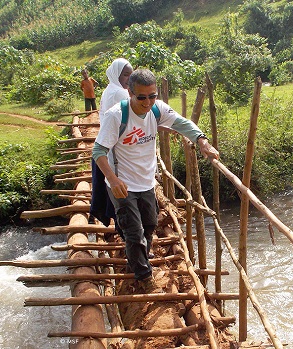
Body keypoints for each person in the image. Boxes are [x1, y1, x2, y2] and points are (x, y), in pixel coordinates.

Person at [92, 69, 219, 291]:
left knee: (149, 224)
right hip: (122, 182)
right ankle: (143, 276)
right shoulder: (116, 116)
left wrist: (201, 140)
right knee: (133, 230)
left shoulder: (157, 110)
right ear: (129, 93)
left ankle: (138, 256)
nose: (148, 102)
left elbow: (181, 123)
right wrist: (112, 180)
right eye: (142, 97)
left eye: (152, 96)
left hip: (146, 180)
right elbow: (99, 151)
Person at [89, 58, 133, 226]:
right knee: (121, 191)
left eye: (130, 75)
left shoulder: (110, 89)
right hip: (115, 149)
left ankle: (122, 229)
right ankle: (125, 232)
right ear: (117, 75)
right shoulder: (119, 93)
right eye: (125, 75)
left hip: (106, 143)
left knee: (112, 191)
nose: (128, 79)